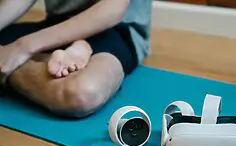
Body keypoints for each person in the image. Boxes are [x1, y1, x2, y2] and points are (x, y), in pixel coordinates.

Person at [0, 0, 152, 117]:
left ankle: (20, 63)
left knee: (80, 93)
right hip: (59, 23)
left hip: (117, 28)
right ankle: (67, 53)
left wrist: (23, 47)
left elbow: (113, 8)